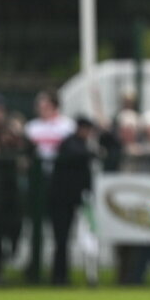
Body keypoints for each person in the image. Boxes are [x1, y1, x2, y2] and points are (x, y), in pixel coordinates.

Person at [49, 116, 98, 285]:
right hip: (62, 200)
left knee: (66, 239)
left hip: (74, 200)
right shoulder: (70, 144)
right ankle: (59, 276)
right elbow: (78, 155)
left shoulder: (79, 144)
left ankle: (62, 275)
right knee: (61, 239)